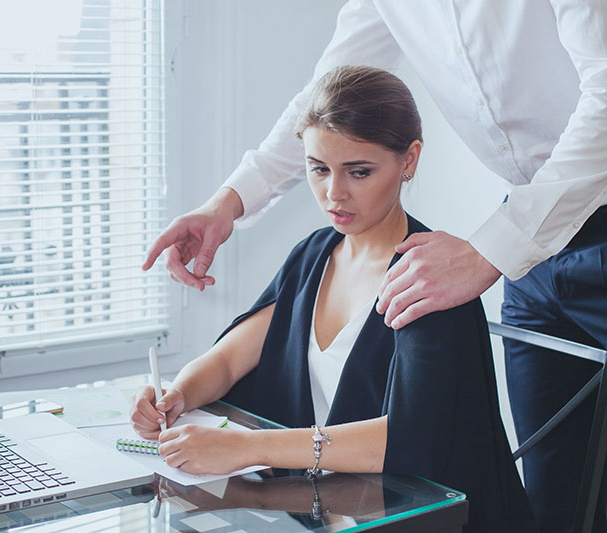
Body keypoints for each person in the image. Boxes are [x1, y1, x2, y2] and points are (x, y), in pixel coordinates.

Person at [141, 3, 607, 531]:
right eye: (319, 169)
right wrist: (229, 201)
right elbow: (319, 107)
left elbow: (419, 436)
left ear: (408, 161)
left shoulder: (425, 272)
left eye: (358, 172)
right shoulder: (315, 256)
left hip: (544, 225)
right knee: (555, 493)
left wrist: (489, 251)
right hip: (536, 233)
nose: (334, 193)